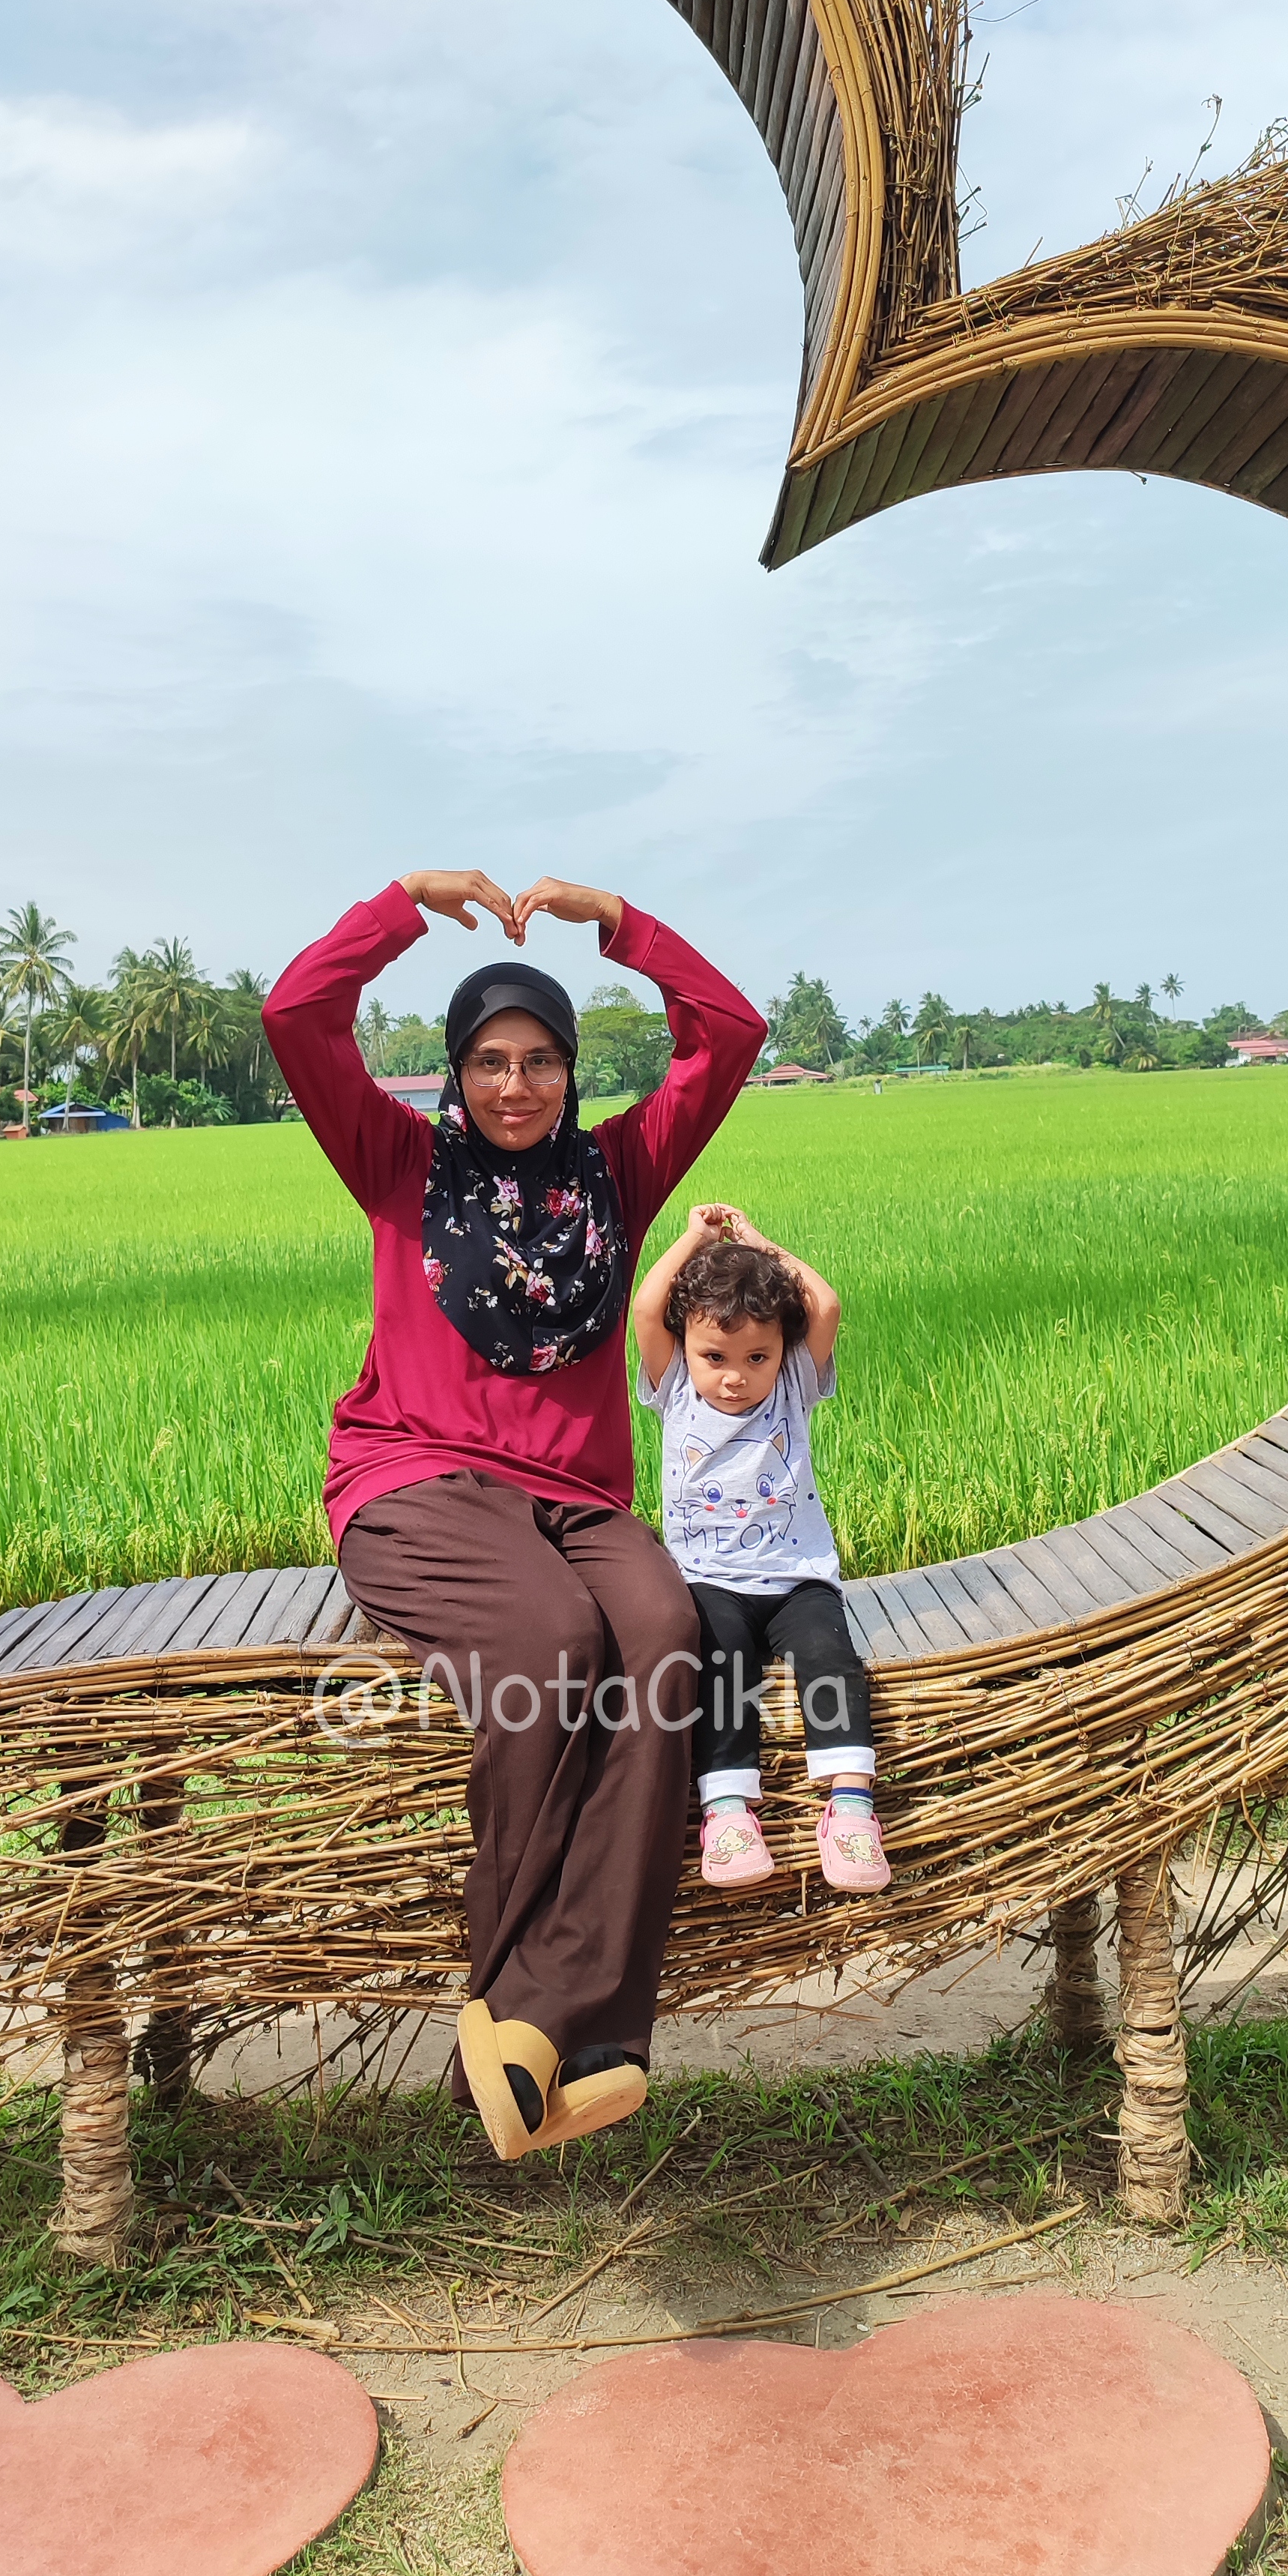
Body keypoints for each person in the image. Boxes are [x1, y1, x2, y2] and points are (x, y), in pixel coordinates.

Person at [263, 869, 764, 2163]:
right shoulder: (396, 1160)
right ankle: (535, 2010)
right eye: (489, 1061)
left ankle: (561, 2028)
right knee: (552, 1640)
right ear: (455, 1071)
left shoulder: (620, 1172)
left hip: (577, 1503)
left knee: (664, 1632)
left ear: (570, 1070)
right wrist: (401, 903)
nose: (516, 1086)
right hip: (414, 1483)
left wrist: (619, 924)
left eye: (542, 1061)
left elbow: (731, 1032)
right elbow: (296, 1016)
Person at [631, 1205, 891, 1897]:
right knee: (721, 1664)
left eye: (758, 1358)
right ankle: (727, 1811)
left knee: (831, 1656)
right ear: (687, 1349)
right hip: (709, 1581)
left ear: (783, 1353)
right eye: (715, 1356)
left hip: (796, 1577)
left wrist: (760, 1246)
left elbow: (825, 1302)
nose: (736, 1377)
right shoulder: (674, 1392)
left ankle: (853, 1806)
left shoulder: (794, 1390)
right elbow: (647, 1307)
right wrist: (694, 1237)